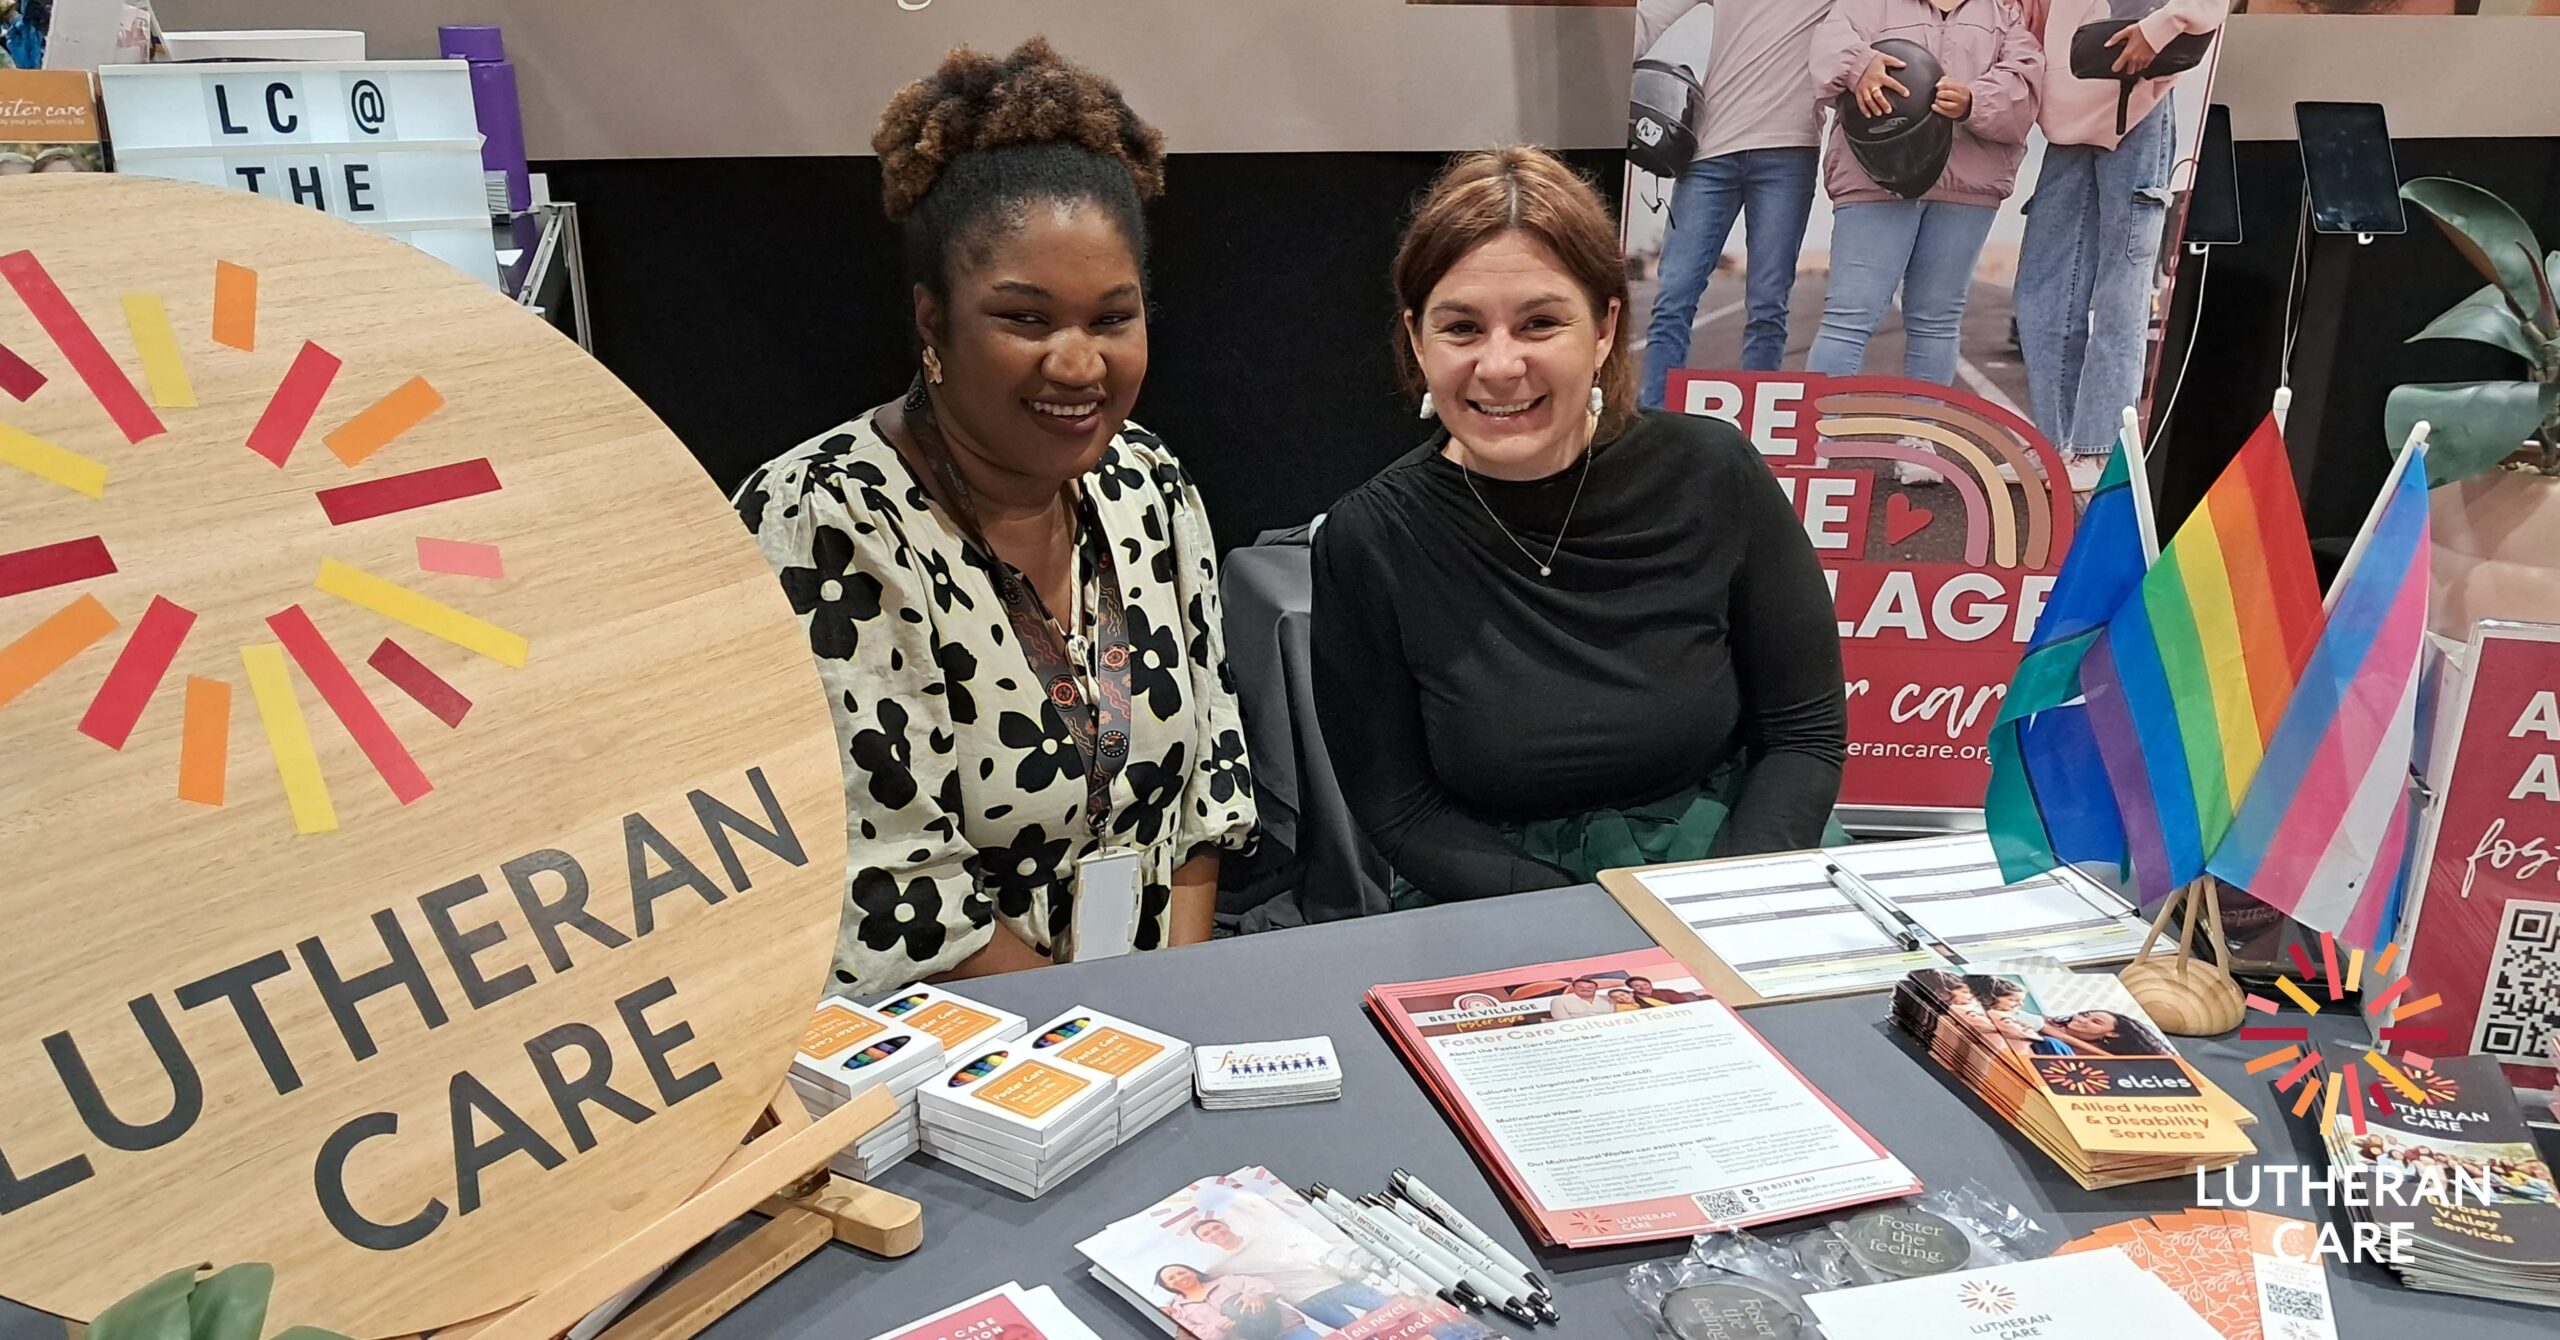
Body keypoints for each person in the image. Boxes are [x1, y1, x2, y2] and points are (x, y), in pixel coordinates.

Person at [736, 39, 1255, 995]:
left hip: (1144, 1025)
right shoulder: (824, 520)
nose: (1078, 363)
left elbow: (1205, 802)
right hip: (949, 1052)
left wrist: (1178, 1012)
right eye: (1025, 318)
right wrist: (1099, 1041)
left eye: (1111, 318)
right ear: (933, 323)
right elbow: (895, 886)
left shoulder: (1149, 483)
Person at [1312, 148, 1846, 907]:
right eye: (1461, 328)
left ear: (1603, 330)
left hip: (1729, 866)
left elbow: (1804, 735)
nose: (1500, 366)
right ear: (1416, 338)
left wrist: (1726, 905)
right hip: (1494, 895)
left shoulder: (1714, 473)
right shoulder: (1369, 537)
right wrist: (1588, 935)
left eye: (1540, 323)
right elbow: (1399, 809)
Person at [2015, 0, 2228, 493]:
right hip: (2066, 118)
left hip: (2140, 109)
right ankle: (2052, 442)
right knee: (2041, 287)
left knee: (2120, 290)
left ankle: (2098, 447)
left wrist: (2160, 26)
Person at [1805, 0, 2042, 389]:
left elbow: (2025, 80)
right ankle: (1816, 436)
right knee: (1849, 315)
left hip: (1968, 185)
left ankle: (1921, 431)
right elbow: (1829, 43)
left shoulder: (2003, 12)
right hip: (1874, 180)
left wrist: (1974, 101)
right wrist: (1858, 65)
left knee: (1937, 320)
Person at [1633, 0, 1835, 405]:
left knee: (1768, 303)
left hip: (1788, 154)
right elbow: (1646, 19)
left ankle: (1758, 427)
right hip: (1709, 152)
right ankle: (1654, 418)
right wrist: (1596, 58)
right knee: (1674, 296)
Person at [1154, 1264, 1319, 1340]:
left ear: (1192, 1272)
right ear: (1167, 1286)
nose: (1180, 1278)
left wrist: (1254, 1294)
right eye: (1172, 1278)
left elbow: (1261, 1284)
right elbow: (1193, 1333)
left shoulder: (1227, 1281)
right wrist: (1216, 1329)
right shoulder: (1178, 1310)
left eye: (1181, 1272)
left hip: (1290, 1331)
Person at [1547, 977, 1619, 1020]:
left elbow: (1615, 1016)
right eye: (1581, 987)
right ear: (1574, 988)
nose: (1585, 989)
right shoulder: (1559, 1000)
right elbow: (1561, 1020)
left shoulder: (1608, 999)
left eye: (1590, 987)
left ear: (1595, 989)